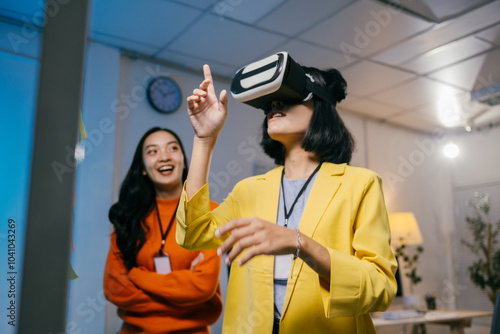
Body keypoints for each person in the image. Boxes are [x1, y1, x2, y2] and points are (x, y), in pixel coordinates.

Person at [176, 63, 397, 334]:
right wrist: (204, 140)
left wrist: (299, 243)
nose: (275, 103)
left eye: (290, 94)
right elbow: (192, 234)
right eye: (270, 100)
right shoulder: (248, 190)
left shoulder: (360, 184)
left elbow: (381, 288)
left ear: (321, 106)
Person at [103, 127, 223, 334]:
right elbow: (115, 288)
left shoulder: (210, 213)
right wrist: (183, 289)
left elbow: (203, 286)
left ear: (184, 161)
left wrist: (137, 276)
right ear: (142, 167)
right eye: (152, 151)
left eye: (172, 148)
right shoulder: (127, 216)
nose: (164, 157)